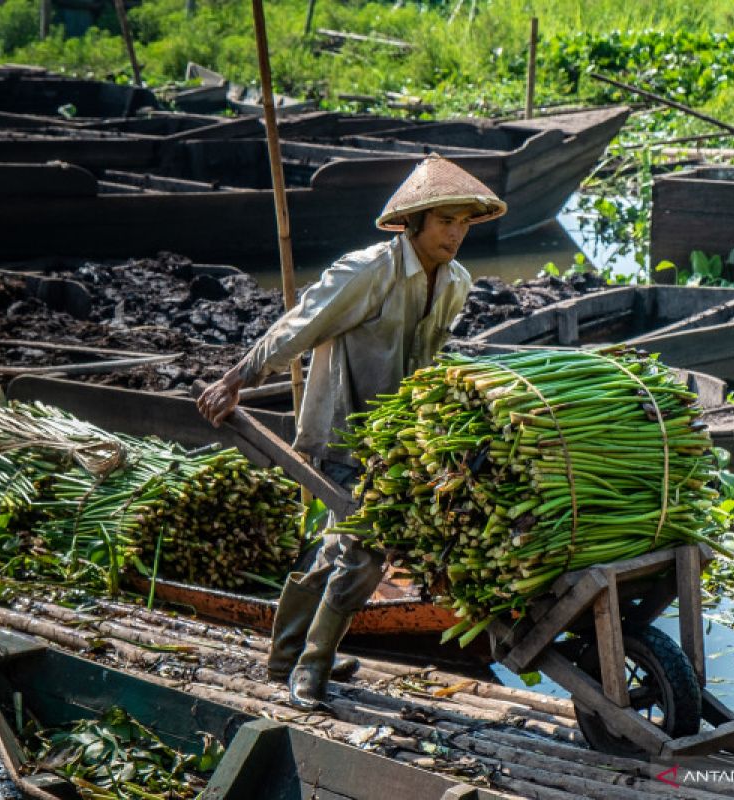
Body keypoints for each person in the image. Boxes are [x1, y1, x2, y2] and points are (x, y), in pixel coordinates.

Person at [196, 153, 507, 708]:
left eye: (464, 222)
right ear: (414, 222)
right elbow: (300, 324)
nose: (456, 234)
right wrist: (236, 377)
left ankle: (285, 653)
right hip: (343, 430)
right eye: (445, 222)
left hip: (397, 440)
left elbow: (430, 361)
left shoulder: (456, 282)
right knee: (365, 553)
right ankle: (310, 669)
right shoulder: (368, 271)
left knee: (341, 547)